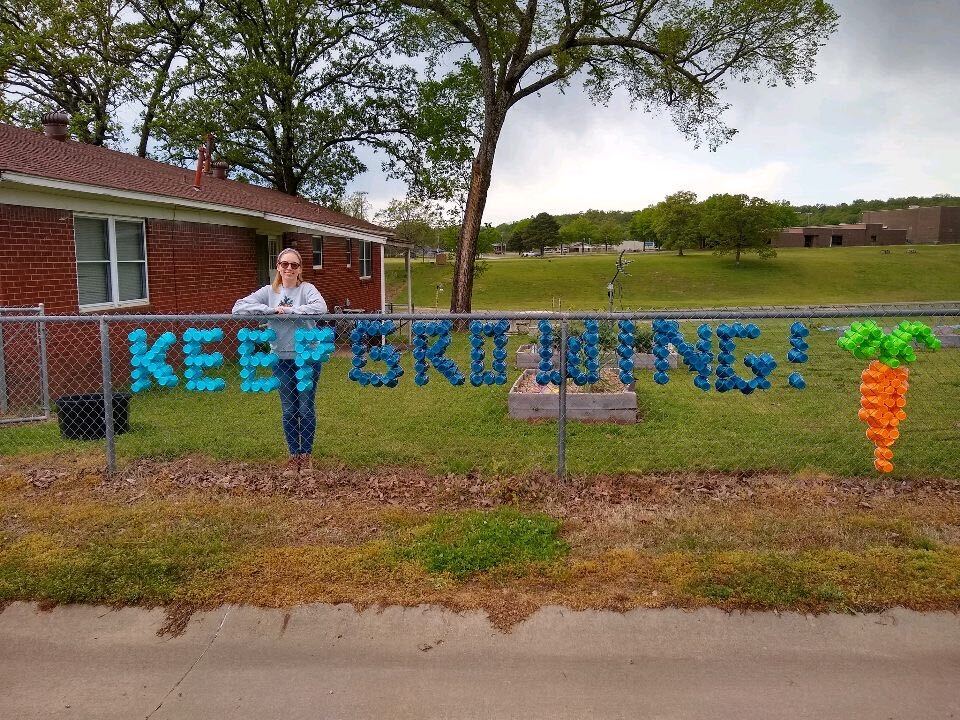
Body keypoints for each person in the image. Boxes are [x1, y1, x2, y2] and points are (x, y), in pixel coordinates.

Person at [233, 248, 327, 477]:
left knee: (305, 408)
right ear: (278, 266)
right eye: (285, 264)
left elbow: (320, 308)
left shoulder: (307, 289)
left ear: (300, 269)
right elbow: (238, 308)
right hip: (281, 359)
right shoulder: (269, 291)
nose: (289, 269)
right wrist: (271, 310)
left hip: (307, 358)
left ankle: (306, 457)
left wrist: (291, 311)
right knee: (288, 409)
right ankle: (293, 455)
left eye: (294, 265)